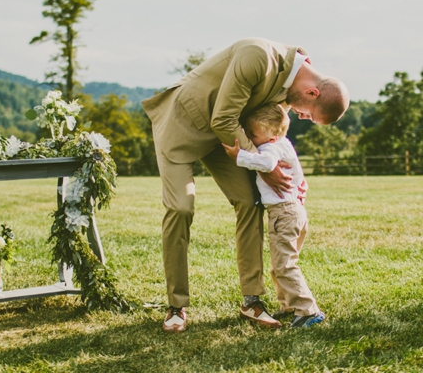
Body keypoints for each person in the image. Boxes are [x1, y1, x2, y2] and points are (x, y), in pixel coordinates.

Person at [142, 37, 349, 332]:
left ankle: (251, 300)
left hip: (229, 140)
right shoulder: (257, 57)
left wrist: (295, 179)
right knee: (181, 208)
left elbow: (274, 134)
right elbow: (223, 118)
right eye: (308, 114)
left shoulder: (293, 85)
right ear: (312, 92)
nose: (302, 117)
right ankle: (176, 305)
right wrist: (264, 168)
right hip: (183, 126)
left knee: (251, 200)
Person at [222, 103, 325, 328]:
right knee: (281, 263)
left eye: (253, 134)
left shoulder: (269, 149)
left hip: (283, 213)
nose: (249, 137)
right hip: (296, 211)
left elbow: (267, 164)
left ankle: (308, 310)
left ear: (271, 136)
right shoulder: (285, 144)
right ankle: (288, 304)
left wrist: (239, 156)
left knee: (284, 265)